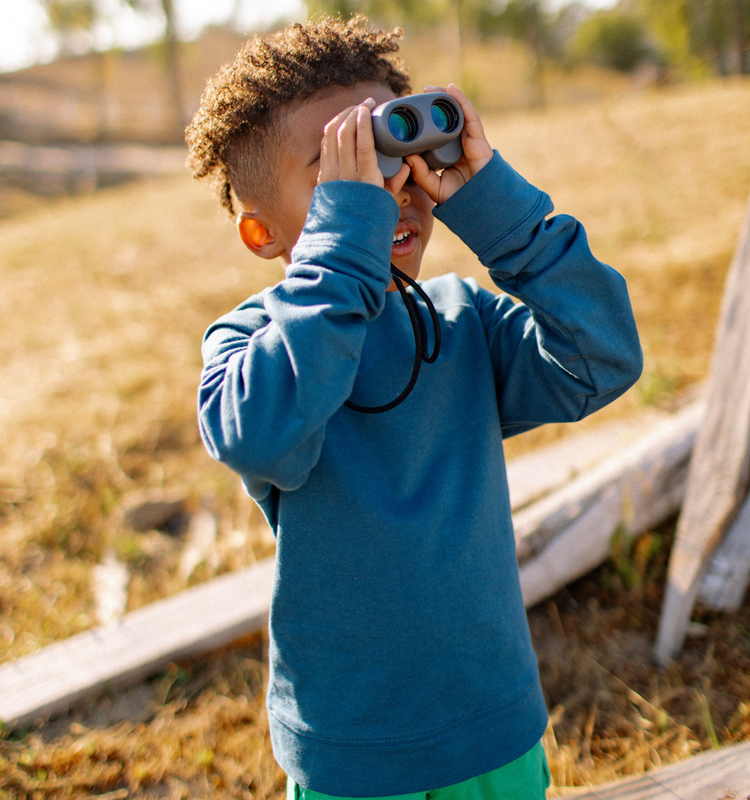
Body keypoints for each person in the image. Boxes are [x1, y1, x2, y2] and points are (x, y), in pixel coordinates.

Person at [186, 16, 642, 800]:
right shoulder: (253, 341)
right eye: (341, 173)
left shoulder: (462, 320)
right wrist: (345, 244)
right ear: (261, 233)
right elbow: (259, 436)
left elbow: (601, 357)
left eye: (394, 158)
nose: (388, 192)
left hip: (493, 728)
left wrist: (498, 212)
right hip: (354, 751)